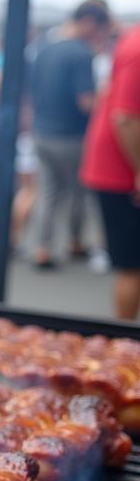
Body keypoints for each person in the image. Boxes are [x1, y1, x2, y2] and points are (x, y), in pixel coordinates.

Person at [29, 0, 112, 268]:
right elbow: (86, 101)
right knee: (77, 193)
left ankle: (42, 247)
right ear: (88, 22)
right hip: (70, 136)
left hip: (41, 133)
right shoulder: (81, 54)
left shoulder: (44, 47)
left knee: (49, 193)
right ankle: (74, 241)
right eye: (99, 28)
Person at [81, 23, 140, 319]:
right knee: (132, 266)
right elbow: (126, 118)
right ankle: (128, 346)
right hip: (122, 174)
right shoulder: (137, 47)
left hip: (120, 168)